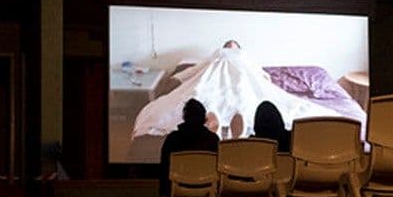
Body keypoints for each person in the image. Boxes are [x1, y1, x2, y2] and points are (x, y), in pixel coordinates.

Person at [133, 40, 340, 140]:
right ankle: (229, 132)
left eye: (234, 46)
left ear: (239, 50)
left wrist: (264, 80)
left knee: (244, 95)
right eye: (228, 45)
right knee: (200, 94)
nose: (231, 46)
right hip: (213, 77)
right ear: (223, 48)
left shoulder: (245, 59)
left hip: (242, 79)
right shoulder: (215, 56)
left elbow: (260, 76)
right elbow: (196, 70)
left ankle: (220, 130)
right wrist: (177, 78)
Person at [159, 98, 219, 197]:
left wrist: (164, 192)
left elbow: (164, 169)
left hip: (178, 191)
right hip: (208, 190)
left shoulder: (173, 139)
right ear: (204, 118)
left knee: (173, 188)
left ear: (184, 117)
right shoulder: (213, 140)